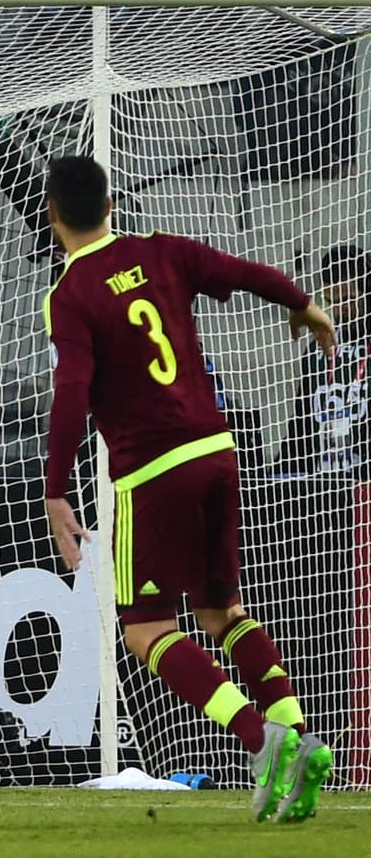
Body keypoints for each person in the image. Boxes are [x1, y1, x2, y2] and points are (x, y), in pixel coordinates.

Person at [41, 156, 335, 823]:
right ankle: (299, 736)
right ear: (110, 205)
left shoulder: (70, 293)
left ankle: (263, 742)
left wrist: (56, 489)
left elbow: (72, 393)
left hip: (153, 471)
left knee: (147, 629)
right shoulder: (163, 251)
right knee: (221, 612)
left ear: (53, 214)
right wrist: (304, 304)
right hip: (217, 452)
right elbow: (246, 273)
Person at [275, 244, 371, 477]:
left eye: (348, 299)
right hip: (325, 487)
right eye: (332, 301)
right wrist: (276, 476)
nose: (339, 310)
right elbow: (301, 426)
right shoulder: (318, 351)